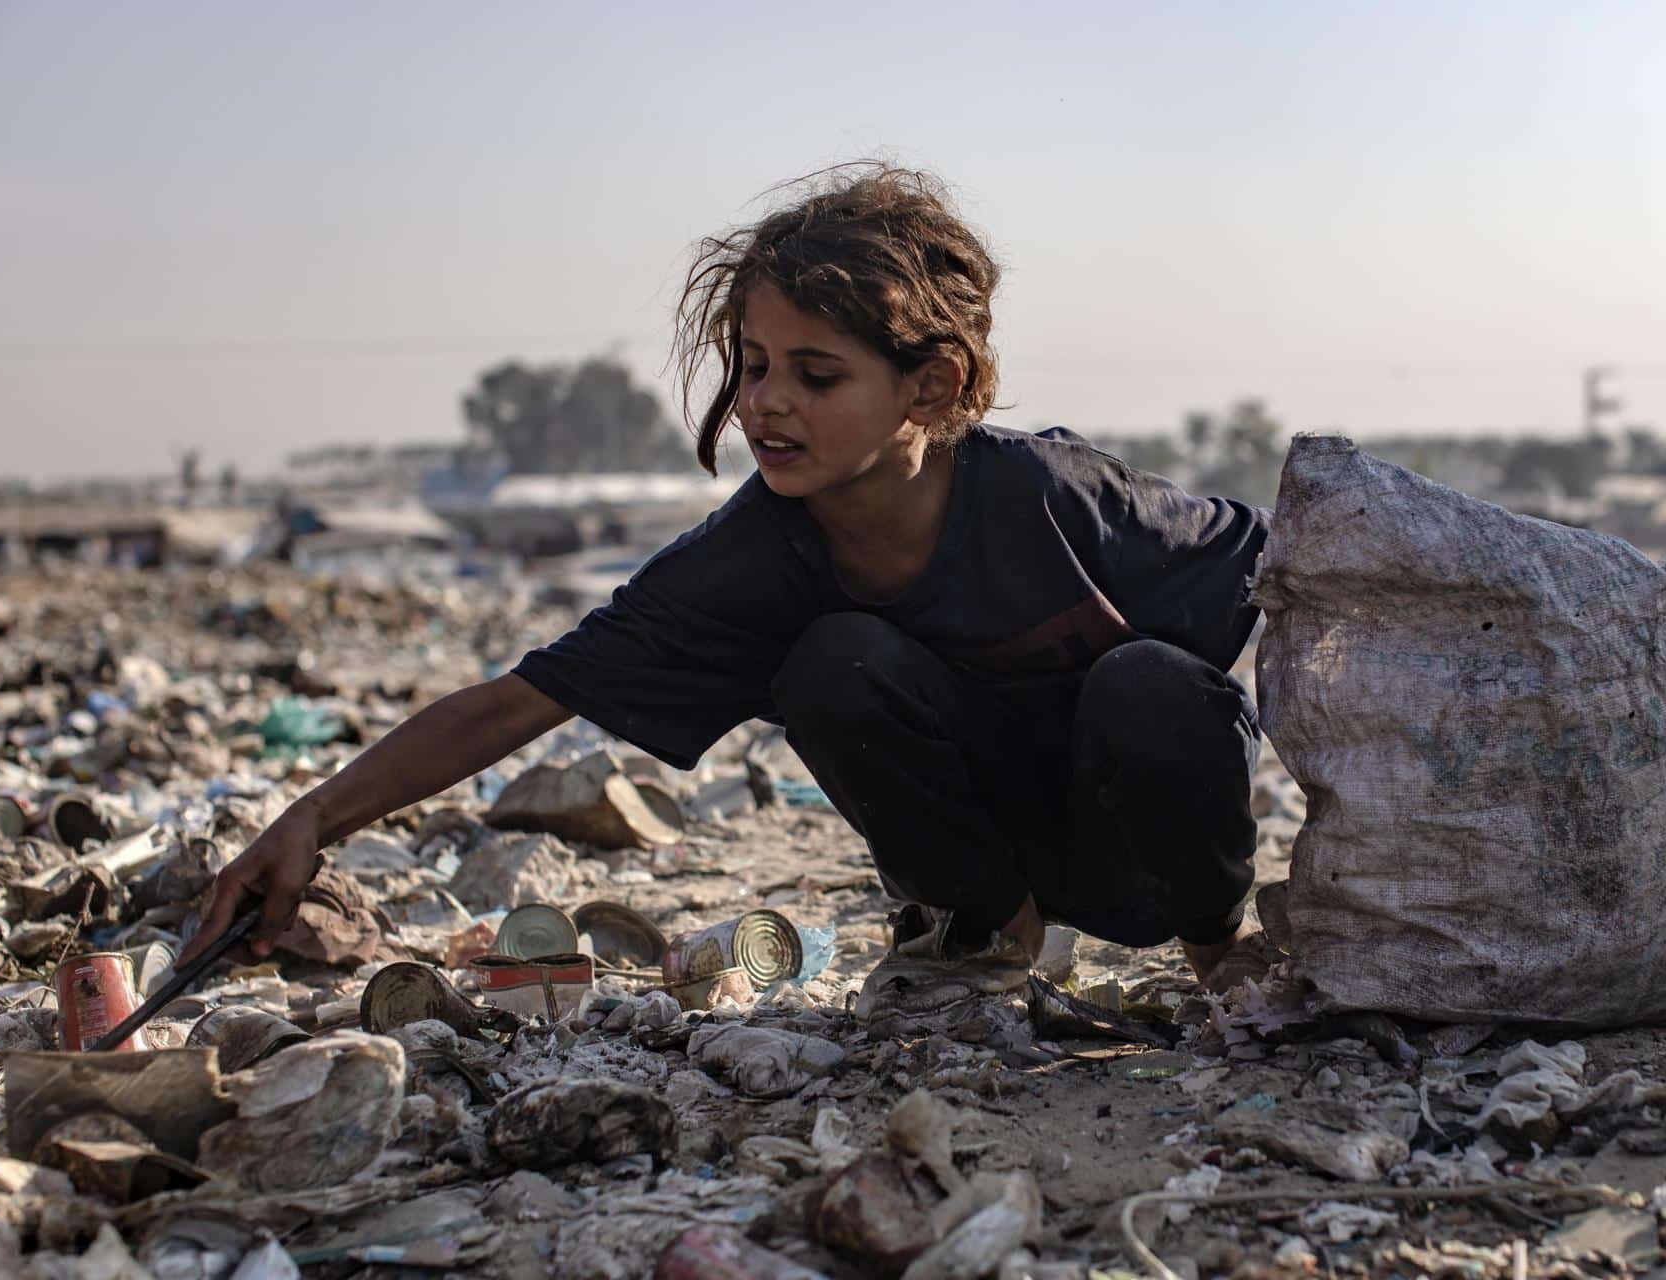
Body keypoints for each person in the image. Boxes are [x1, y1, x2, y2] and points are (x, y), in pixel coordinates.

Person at [182, 165, 1272, 1024]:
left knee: (1153, 684)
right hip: (991, 854)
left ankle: (1225, 955)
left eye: (816, 373)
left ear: (930, 385)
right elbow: (520, 699)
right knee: (831, 660)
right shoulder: (755, 554)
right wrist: (310, 818)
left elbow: (1291, 577)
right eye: (752, 364)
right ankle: (985, 933)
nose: (766, 404)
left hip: (1143, 857)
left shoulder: (1052, 496)